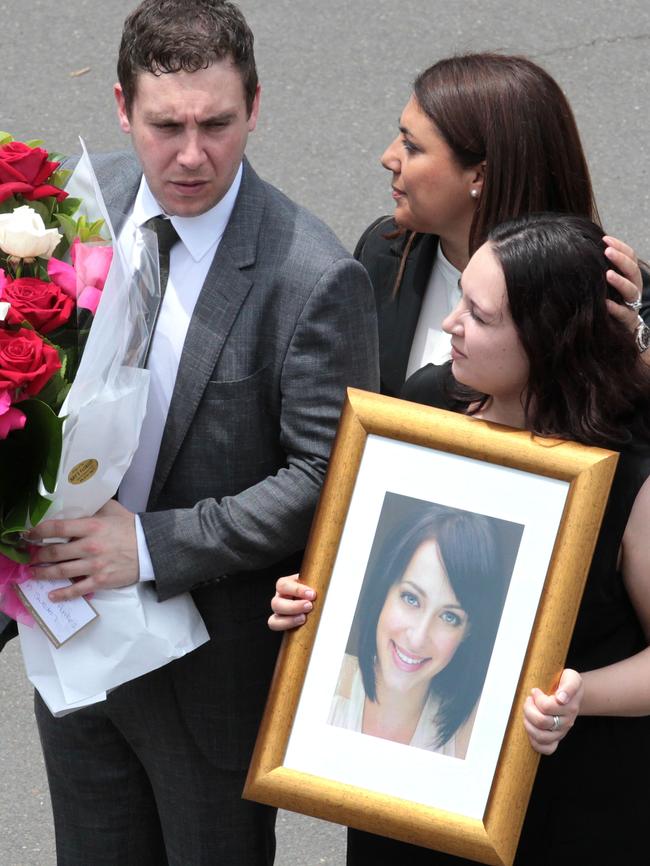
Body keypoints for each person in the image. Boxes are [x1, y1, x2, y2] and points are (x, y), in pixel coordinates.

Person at [23, 2, 379, 864]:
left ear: (255, 106)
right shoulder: (80, 207)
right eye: (165, 125)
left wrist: (146, 547)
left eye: (218, 124)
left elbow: (325, 479)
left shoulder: (313, 277)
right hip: (72, 649)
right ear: (120, 106)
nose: (191, 155)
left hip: (209, 683)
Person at [272, 213, 650, 865]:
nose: (450, 326)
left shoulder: (629, 475)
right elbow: (374, 572)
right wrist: (315, 605)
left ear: (546, 338)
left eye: (478, 315)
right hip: (410, 804)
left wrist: (578, 693)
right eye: (459, 300)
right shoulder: (425, 405)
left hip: (568, 813)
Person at [352, 52, 650, 397]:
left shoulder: (615, 293)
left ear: (479, 175)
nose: (388, 158)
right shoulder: (382, 251)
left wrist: (635, 346)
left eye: (411, 146)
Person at [327, 503, 513, 758]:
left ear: (468, 632)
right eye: (411, 599)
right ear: (384, 592)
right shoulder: (320, 682)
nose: (417, 638)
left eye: (449, 617)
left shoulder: (475, 736)